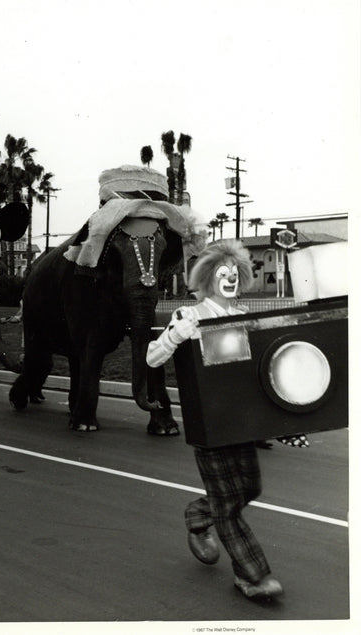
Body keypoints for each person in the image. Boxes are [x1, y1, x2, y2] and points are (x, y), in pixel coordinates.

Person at [146, 240, 308, 601]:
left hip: (242, 422)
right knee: (228, 506)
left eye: (234, 274)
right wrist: (175, 335)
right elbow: (152, 358)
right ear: (206, 278)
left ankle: (197, 516)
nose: (229, 279)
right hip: (209, 422)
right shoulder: (190, 315)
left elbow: (259, 374)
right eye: (222, 273)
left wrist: (283, 425)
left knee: (248, 490)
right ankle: (254, 576)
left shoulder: (246, 315)